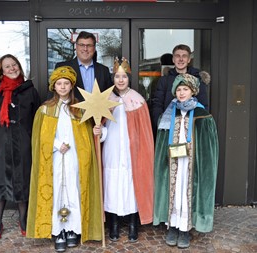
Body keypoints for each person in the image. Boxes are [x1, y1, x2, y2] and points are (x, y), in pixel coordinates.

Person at [26, 66, 102, 252]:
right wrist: (56, 144)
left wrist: (96, 131)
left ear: (71, 86)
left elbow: (87, 137)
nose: (62, 86)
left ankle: (72, 230)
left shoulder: (80, 110)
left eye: (66, 83)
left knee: (73, 190)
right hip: (55, 159)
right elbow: (39, 137)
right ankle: (58, 231)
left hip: (75, 158)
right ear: (54, 86)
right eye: (59, 83)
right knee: (58, 192)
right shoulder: (45, 110)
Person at [0, 54, 41, 242]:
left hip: (23, 146)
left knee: (22, 184)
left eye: (14, 65)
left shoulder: (30, 91)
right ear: (1, 71)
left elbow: (38, 120)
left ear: (19, 66)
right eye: (7, 67)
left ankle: (23, 219)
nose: (12, 68)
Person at [153, 73, 219, 249]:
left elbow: (208, 147)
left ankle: (185, 230)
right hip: (173, 163)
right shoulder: (168, 115)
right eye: (179, 89)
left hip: (191, 165)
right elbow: (161, 144)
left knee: (186, 193)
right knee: (174, 193)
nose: (182, 93)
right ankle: (173, 226)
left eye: (185, 89)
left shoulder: (202, 115)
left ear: (193, 91)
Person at [93, 57, 154, 243]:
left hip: (130, 152)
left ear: (129, 78)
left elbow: (144, 132)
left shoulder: (138, 100)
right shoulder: (106, 99)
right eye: (117, 76)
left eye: (124, 77)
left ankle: (133, 223)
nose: (120, 80)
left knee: (130, 184)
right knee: (111, 185)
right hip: (111, 151)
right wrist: (99, 131)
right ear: (113, 78)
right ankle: (113, 224)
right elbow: (103, 128)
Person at [150, 44, 210, 139]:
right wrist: (160, 125)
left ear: (189, 60)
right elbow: (157, 104)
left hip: (191, 130)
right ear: (173, 59)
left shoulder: (197, 79)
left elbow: (203, 106)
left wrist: (198, 127)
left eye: (184, 56)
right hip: (168, 129)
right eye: (177, 56)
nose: (181, 59)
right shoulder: (164, 80)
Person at [55, 31, 113, 101]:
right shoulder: (62, 67)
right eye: (82, 45)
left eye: (89, 45)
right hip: (71, 111)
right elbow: (53, 95)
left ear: (94, 48)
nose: (85, 49)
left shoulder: (104, 70)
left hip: (97, 111)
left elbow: (110, 96)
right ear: (76, 47)